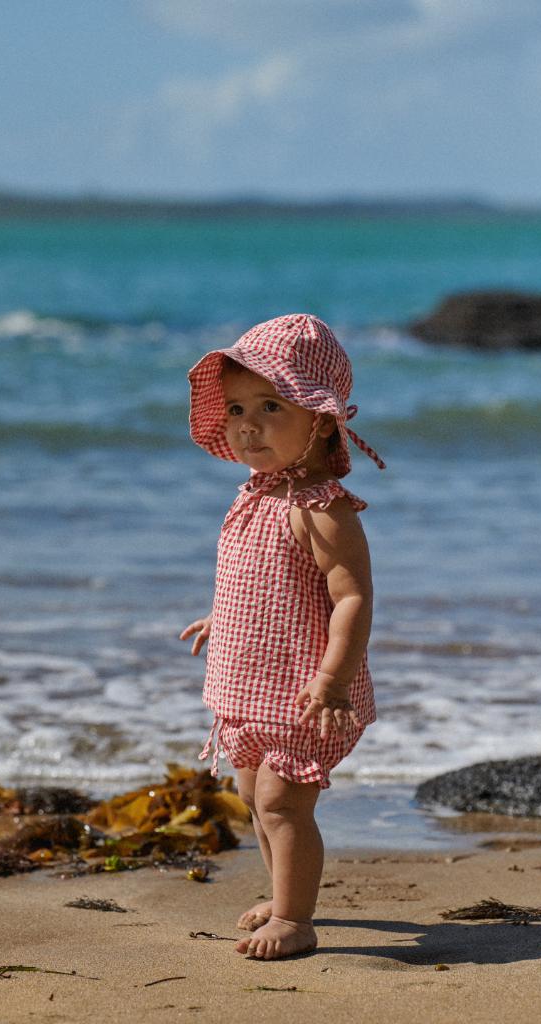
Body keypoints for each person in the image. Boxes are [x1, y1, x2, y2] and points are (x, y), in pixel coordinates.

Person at [179, 313, 385, 960]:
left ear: (320, 420)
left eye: (271, 406)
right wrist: (223, 616)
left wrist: (332, 680)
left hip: (307, 693)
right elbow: (259, 580)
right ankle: (282, 892)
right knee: (251, 794)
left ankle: (296, 919)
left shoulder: (322, 509)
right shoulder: (256, 496)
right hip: (252, 687)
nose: (248, 424)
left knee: (281, 802)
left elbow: (352, 597)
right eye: (237, 408)